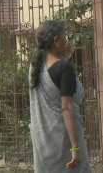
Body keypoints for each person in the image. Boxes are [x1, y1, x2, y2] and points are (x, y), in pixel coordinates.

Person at [29, 20, 89, 172]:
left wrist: (64, 59)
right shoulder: (64, 68)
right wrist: (75, 148)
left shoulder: (36, 65)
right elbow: (67, 107)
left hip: (44, 141)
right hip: (64, 141)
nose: (66, 40)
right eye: (64, 36)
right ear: (56, 41)